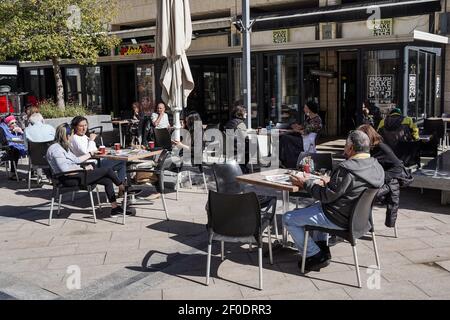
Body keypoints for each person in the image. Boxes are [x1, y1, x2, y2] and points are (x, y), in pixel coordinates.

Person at [283, 131, 384, 272]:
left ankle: (315, 254)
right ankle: (322, 249)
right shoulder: (377, 166)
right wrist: (332, 182)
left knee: (288, 218)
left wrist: (305, 183)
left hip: (337, 217)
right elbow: (348, 189)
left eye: (345, 145)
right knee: (316, 206)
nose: (344, 149)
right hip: (360, 220)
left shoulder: (347, 169)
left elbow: (325, 196)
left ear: (351, 148)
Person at [47, 124, 132, 216]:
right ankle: (123, 187)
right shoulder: (56, 150)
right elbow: (65, 171)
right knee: (107, 170)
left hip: (75, 175)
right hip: (68, 179)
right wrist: (84, 169)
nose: (72, 137)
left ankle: (115, 208)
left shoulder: (62, 146)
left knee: (107, 180)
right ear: (66, 136)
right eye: (71, 135)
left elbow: (76, 160)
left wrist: (91, 154)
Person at [358, 124, 412, 228]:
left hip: (387, 184)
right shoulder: (369, 148)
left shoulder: (381, 148)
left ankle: (356, 225)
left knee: (357, 195)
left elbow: (398, 167)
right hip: (378, 180)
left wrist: (380, 177)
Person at [68, 116, 127, 198]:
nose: (84, 128)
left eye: (85, 125)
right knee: (121, 160)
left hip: (97, 161)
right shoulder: (75, 138)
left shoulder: (84, 136)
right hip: (90, 165)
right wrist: (91, 140)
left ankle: (121, 188)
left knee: (122, 164)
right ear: (75, 127)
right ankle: (122, 187)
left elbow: (93, 149)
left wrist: (100, 150)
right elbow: (87, 152)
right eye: (81, 126)